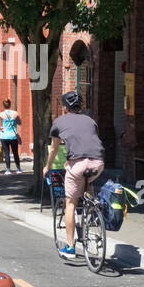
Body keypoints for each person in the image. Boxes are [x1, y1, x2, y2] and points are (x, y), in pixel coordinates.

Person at [43, 91, 105, 261]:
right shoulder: (91, 121)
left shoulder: (59, 122)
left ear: (64, 107)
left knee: (70, 204)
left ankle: (70, 247)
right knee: (87, 180)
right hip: (98, 162)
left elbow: (54, 149)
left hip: (78, 164)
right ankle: (93, 209)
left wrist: (47, 167)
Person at [0, 98, 21, 174]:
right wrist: (15, 121)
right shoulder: (15, 113)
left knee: (7, 153)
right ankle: (18, 169)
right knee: (15, 153)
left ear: (3, 105)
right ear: (10, 104)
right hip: (13, 136)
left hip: (4, 136)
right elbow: (19, 122)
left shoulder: (1, 114)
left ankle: (8, 170)